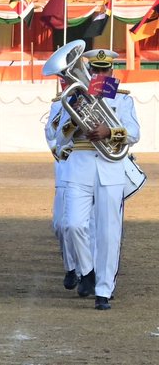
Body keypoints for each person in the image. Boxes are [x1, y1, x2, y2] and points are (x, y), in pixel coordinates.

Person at [56, 49, 139, 311]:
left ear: (112, 72)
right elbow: (60, 138)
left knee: (108, 232)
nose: (100, 74)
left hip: (110, 168)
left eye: (105, 70)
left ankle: (104, 290)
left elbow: (134, 133)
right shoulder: (73, 99)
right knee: (72, 225)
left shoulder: (122, 99)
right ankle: (88, 271)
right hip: (79, 167)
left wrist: (109, 131)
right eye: (96, 70)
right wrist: (74, 120)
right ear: (89, 71)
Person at [45, 78, 79, 290]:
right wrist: (67, 110)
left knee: (86, 225)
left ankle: (85, 271)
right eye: (64, 79)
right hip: (66, 169)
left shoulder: (98, 100)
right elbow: (51, 135)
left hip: (90, 168)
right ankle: (71, 267)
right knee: (60, 225)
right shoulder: (58, 104)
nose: (65, 83)